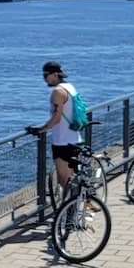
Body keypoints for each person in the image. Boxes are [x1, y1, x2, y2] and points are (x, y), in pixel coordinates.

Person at [27, 61, 85, 191]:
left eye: (45, 75)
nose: (44, 79)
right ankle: (81, 203)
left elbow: (56, 118)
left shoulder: (58, 92)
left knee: (64, 181)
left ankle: (70, 210)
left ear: (54, 75)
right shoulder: (70, 87)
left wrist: (40, 129)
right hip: (75, 139)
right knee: (74, 178)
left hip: (62, 142)